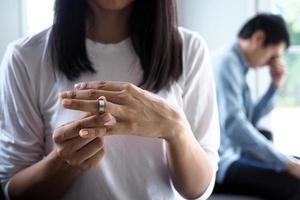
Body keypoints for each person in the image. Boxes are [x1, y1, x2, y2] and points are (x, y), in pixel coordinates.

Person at [0, 0, 220, 199]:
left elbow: (199, 188)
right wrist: (63, 160)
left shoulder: (189, 49)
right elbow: (13, 187)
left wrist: (177, 130)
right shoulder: (25, 57)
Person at [212, 13, 300, 199]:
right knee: (294, 182)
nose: (272, 62)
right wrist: (284, 163)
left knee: (296, 162)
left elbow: (250, 119)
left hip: (235, 153)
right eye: (273, 55)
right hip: (221, 162)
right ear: (258, 38)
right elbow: (235, 126)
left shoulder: (237, 66)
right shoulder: (227, 62)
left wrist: (275, 85)